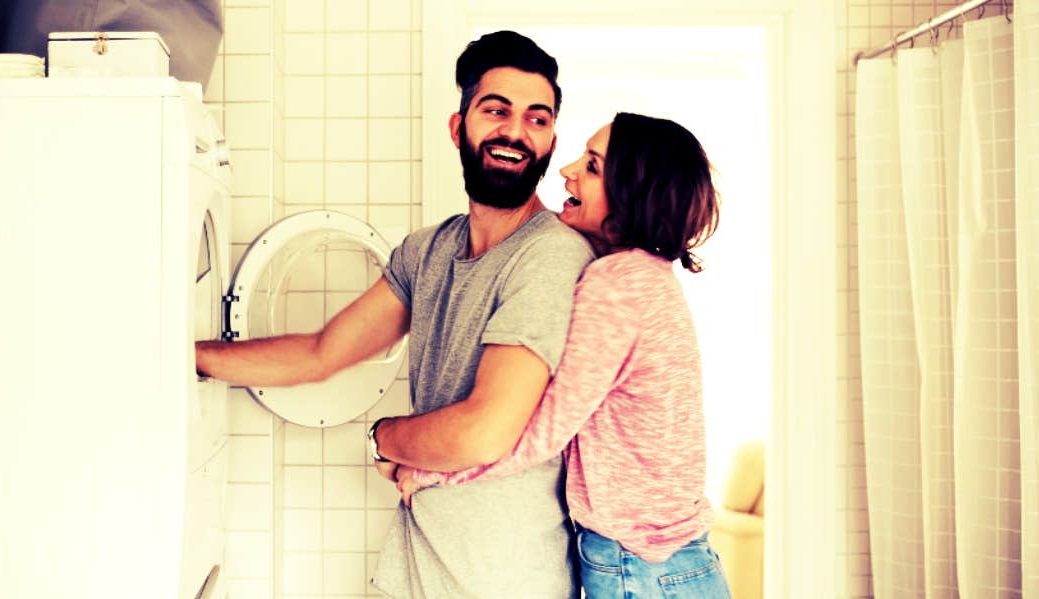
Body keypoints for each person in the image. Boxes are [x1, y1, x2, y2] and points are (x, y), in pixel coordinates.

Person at [196, 31, 594, 598]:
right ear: (459, 127)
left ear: (552, 141)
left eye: (537, 119)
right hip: (411, 570)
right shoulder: (426, 252)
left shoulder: (551, 256)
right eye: (496, 110)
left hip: (505, 581)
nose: (516, 132)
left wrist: (387, 436)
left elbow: (485, 431)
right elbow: (321, 353)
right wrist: (190, 356)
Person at [390, 113, 732, 599]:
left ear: (632, 196)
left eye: (592, 167)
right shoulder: (647, 279)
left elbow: (545, 431)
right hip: (671, 563)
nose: (566, 170)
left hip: (640, 569)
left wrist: (431, 469)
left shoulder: (615, 288)